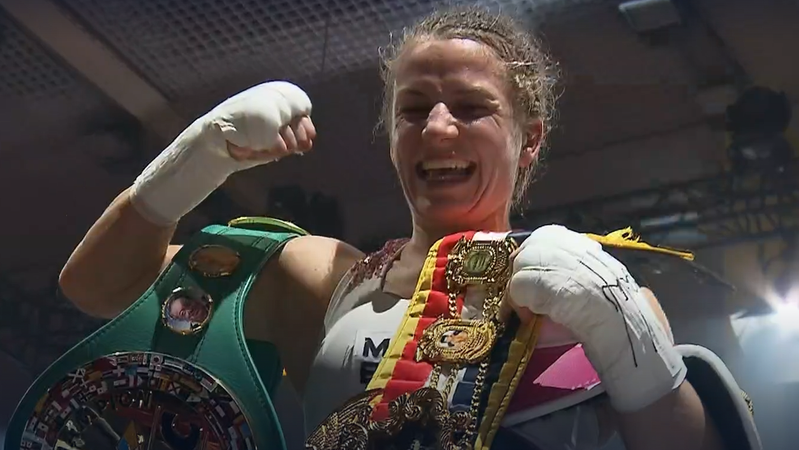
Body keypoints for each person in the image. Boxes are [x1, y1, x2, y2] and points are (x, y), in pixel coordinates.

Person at [58, 6, 758, 450]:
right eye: (414, 108)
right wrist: (197, 157)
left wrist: (625, 335)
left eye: (471, 107)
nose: (438, 128)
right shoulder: (326, 279)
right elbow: (95, 287)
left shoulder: (601, 291)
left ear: (531, 139)